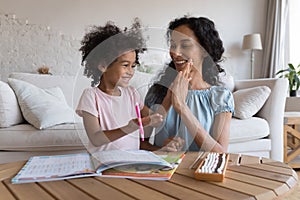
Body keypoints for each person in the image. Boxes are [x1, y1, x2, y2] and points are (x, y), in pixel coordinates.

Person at [144, 16, 234, 152]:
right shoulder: (157, 92)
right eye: (173, 45)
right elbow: (138, 144)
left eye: (185, 45)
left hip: (200, 171)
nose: (175, 52)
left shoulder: (220, 97)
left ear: (204, 50)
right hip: (164, 171)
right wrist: (161, 149)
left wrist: (181, 107)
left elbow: (220, 152)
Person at [76, 19, 163, 153]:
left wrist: (154, 119)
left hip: (130, 162)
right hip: (104, 164)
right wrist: (129, 127)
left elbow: (155, 118)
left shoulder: (132, 94)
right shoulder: (91, 96)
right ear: (103, 66)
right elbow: (96, 138)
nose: (131, 71)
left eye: (133, 66)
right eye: (125, 65)